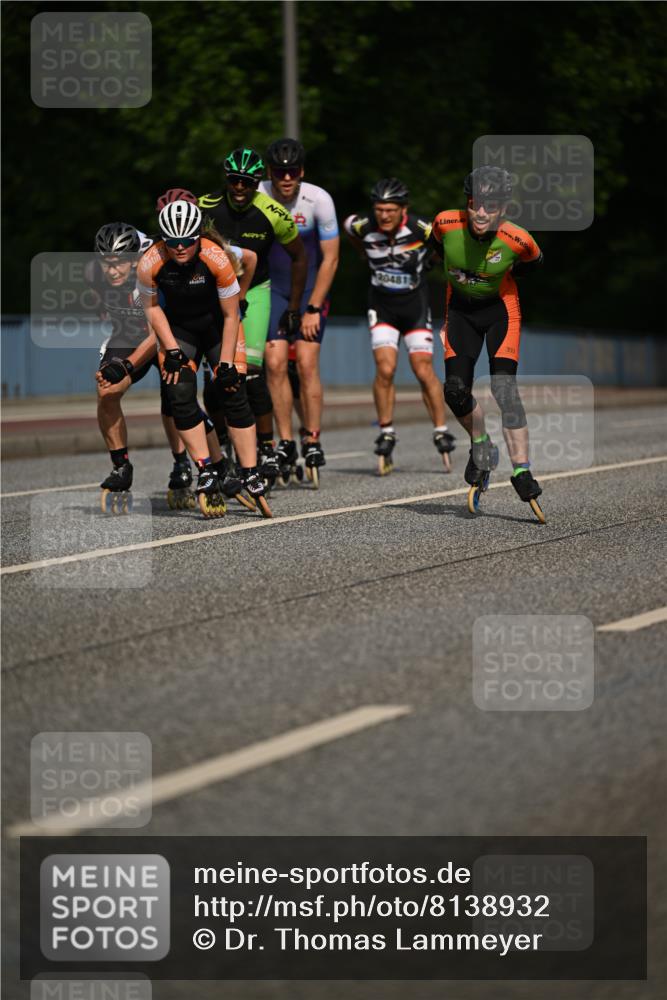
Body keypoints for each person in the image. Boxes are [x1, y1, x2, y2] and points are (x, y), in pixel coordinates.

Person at [137, 199, 272, 517]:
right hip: (180, 330)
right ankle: (206, 468)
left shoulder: (216, 257)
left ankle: (250, 471)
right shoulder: (149, 262)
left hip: (217, 326)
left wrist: (225, 364)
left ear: (199, 236)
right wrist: (170, 350)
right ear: (162, 239)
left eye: (187, 241)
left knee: (233, 391)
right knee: (179, 394)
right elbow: (152, 308)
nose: (180, 248)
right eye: (172, 242)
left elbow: (231, 315)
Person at [428, 165, 545, 518]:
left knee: (504, 388)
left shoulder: (518, 239)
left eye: (490, 205)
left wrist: (506, 274)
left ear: (503, 209)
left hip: (499, 310)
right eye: (474, 203)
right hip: (460, 311)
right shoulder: (445, 224)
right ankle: (481, 445)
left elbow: (534, 261)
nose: (481, 212)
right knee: (454, 391)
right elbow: (433, 253)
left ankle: (522, 469)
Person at [199, 147, 307, 483]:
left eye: (247, 181)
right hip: (213, 292)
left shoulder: (273, 212)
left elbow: (299, 258)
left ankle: (265, 445)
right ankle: (220, 439)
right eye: (234, 180)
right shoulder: (205, 207)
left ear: (258, 181)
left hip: (255, 292)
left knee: (253, 373)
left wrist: (293, 307)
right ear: (226, 179)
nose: (241, 187)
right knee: (216, 375)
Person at [344, 178, 455, 475]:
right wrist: (363, 253)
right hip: (382, 307)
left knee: (422, 369)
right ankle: (386, 431)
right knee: (385, 368)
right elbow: (348, 228)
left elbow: (446, 246)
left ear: (403, 209)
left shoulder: (423, 228)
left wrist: (431, 260)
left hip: (415, 306)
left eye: (391, 210)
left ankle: (441, 428)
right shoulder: (362, 226)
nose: (384, 216)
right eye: (379, 209)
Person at [259, 137, 339, 484]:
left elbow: (331, 258)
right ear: (270, 173)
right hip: (272, 290)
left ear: (302, 172)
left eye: (292, 171)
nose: (286, 178)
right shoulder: (258, 195)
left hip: (308, 290)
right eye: (280, 172)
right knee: (274, 363)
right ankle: (286, 441)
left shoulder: (318, 199)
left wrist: (312, 307)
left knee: (306, 363)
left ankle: (313, 438)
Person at [91, 222, 176, 508]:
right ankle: (121, 466)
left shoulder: (150, 269)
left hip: (165, 336)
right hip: (128, 334)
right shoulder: (95, 275)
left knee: (176, 398)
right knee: (106, 391)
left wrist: (126, 365)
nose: (112, 271)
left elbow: (157, 336)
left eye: (119, 264)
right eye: (106, 264)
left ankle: (182, 464)